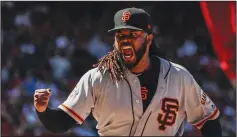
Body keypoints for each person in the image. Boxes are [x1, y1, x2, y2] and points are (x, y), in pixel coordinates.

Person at [34, 7, 222, 136]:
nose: (125, 40)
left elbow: (208, 120)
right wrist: (43, 110)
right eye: (120, 35)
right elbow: (61, 122)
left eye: (133, 35)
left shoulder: (178, 77)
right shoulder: (98, 77)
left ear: (149, 39)